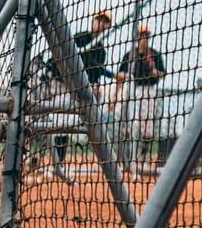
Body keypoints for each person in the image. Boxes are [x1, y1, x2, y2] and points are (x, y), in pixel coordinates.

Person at [50, 9, 114, 170]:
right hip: (62, 84)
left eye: (105, 21)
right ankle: (58, 162)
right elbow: (86, 61)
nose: (101, 24)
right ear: (93, 20)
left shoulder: (101, 51)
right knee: (60, 124)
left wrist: (96, 85)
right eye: (99, 19)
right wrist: (110, 74)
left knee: (70, 125)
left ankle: (62, 162)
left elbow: (94, 73)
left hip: (78, 91)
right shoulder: (80, 38)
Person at [116, 23, 166, 174]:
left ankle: (142, 161)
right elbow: (120, 75)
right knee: (129, 128)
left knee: (147, 130)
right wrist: (115, 96)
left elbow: (162, 74)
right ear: (137, 37)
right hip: (132, 91)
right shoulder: (130, 55)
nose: (144, 39)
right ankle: (123, 162)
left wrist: (153, 71)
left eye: (146, 36)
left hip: (149, 91)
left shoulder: (154, 55)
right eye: (141, 36)